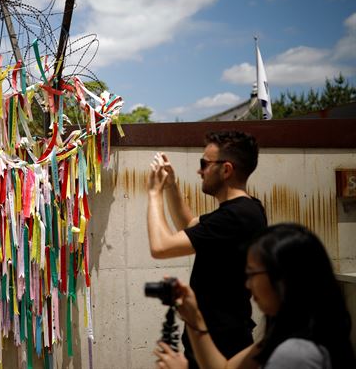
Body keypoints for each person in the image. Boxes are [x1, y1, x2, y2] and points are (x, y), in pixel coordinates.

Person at [154, 223, 356, 369]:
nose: (247, 284)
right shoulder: (286, 335)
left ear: (282, 278)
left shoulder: (296, 354)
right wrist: (194, 317)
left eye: (252, 274)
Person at [147, 130, 267, 367]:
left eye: (204, 163)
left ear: (226, 170)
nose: (199, 171)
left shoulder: (235, 217)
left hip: (221, 342)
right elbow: (189, 225)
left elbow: (160, 247)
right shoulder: (246, 210)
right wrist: (171, 186)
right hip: (217, 336)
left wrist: (153, 194)